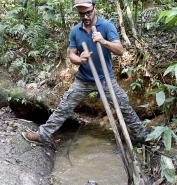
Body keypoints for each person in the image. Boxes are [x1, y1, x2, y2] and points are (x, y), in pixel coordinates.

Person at [22, 0, 148, 145]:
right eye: (82, 14)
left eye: (88, 12)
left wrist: (103, 41)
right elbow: (72, 55)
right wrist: (80, 60)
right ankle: (42, 135)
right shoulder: (75, 30)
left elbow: (120, 50)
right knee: (64, 107)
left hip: (105, 78)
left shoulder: (106, 26)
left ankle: (143, 137)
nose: (86, 17)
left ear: (95, 8)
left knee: (124, 107)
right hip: (83, 80)